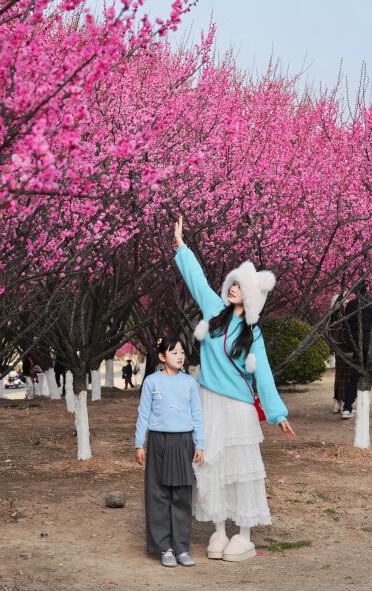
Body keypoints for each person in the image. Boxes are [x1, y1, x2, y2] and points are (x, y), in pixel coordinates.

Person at [174, 217, 296, 562]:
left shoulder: (252, 334)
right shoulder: (214, 312)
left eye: (239, 287)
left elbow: (265, 375)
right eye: (232, 284)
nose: (232, 289)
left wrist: (278, 413)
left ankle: (244, 536)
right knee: (211, 466)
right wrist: (182, 247)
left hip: (239, 408)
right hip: (208, 401)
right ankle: (218, 531)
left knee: (241, 471)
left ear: (251, 296)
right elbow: (196, 281)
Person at [135, 337, 204, 568]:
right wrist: (139, 444)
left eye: (182, 352)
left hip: (183, 442)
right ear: (162, 357)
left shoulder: (189, 383)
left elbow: (197, 417)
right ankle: (164, 548)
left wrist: (199, 445)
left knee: (182, 495)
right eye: (174, 352)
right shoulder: (151, 382)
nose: (180, 356)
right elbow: (143, 414)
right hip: (158, 442)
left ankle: (182, 548)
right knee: (158, 495)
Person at [341, 282, 371, 419]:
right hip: (370, 346)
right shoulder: (370, 303)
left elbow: (346, 325)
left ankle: (347, 407)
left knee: (355, 377)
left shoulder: (351, 305)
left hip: (358, 346)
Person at [329, 295, 354, 414]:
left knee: (339, 377)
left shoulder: (332, 318)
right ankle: (342, 401)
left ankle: (337, 402)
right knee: (346, 377)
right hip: (346, 349)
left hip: (339, 349)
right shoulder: (345, 317)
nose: (346, 304)